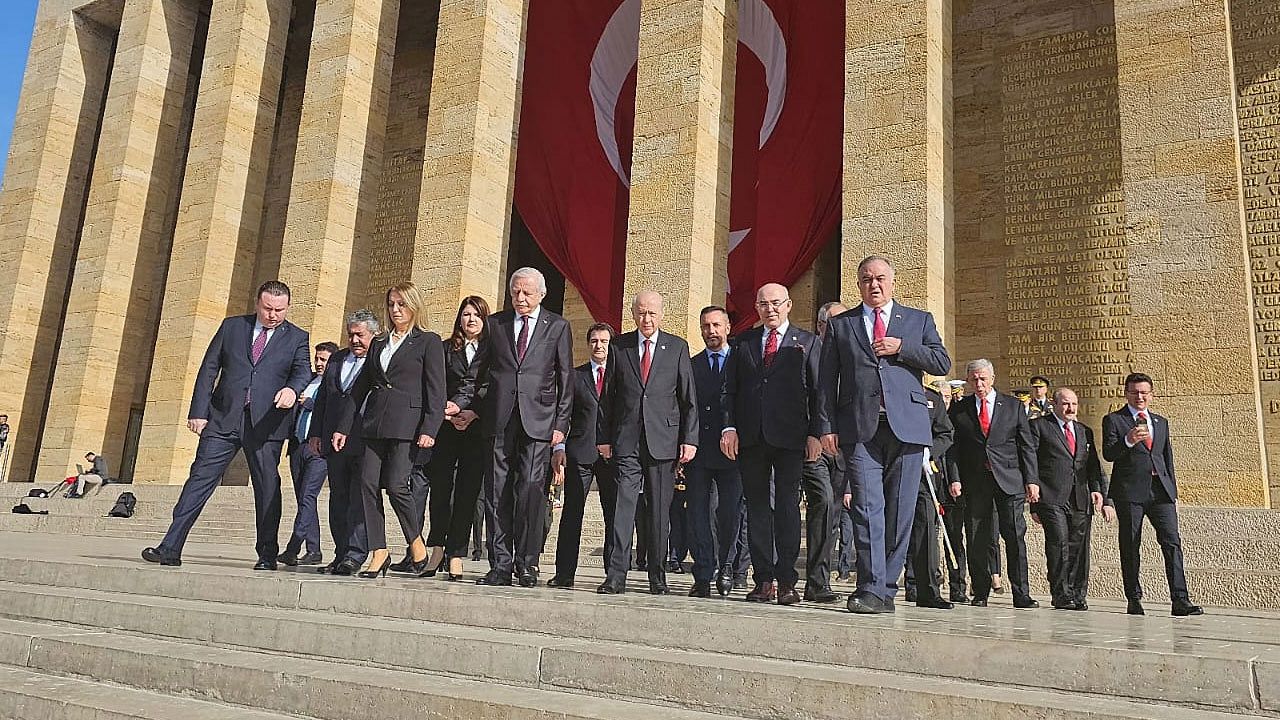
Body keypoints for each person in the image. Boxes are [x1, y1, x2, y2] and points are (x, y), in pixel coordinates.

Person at [143, 280, 311, 569]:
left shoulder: (297, 337)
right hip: (223, 419)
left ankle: (267, 554)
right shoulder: (232, 327)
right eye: (268, 308)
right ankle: (170, 546)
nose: (273, 315)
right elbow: (209, 368)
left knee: (267, 487)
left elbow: (302, 371)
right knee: (199, 480)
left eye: (279, 310)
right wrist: (199, 412)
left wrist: (292, 390)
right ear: (257, 303)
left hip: (266, 424)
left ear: (287, 307)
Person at [816, 256, 951, 614]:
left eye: (879, 278)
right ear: (858, 284)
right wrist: (826, 427)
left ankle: (886, 589)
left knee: (901, 511)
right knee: (866, 507)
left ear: (892, 282)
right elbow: (826, 381)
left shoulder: (918, 320)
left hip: (907, 427)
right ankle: (871, 587)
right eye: (866, 279)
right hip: (860, 428)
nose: (873, 285)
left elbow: (941, 362)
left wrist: (902, 348)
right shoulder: (842, 325)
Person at [333, 282, 446, 579]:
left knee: (396, 485)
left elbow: (436, 390)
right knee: (367, 484)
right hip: (374, 424)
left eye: (402, 304)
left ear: (414, 305)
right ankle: (379, 551)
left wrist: (430, 427)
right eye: (392, 304)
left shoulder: (428, 341)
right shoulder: (379, 342)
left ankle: (415, 541)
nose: (396, 309)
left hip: (408, 426)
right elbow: (360, 387)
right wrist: (343, 426)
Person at [721, 283, 823, 606]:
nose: (770, 309)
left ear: (789, 305)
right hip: (752, 438)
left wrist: (816, 433)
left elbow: (818, 392)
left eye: (776, 303)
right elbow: (729, 389)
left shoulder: (807, 342)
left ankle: (787, 581)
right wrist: (729, 427)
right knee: (757, 510)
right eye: (764, 304)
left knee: (787, 508)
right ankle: (763, 579)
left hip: (791, 438)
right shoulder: (744, 342)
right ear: (757, 307)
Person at [472, 267, 573, 588]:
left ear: (541, 294)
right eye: (515, 292)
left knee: (530, 490)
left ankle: (527, 563)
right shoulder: (496, 324)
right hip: (499, 420)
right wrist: (465, 405)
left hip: (539, 422)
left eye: (527, 293)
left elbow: (566, 379)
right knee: (496, 492)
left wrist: (560, 425)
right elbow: (478, 373)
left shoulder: (557, 326)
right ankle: (500, 564)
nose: (520, 298)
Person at [596, 290, 698, 595]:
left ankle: (657, 576)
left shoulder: (677, 347)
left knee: (658, 512)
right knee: (623, 508)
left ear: (662, 314)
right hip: (626, 441)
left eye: (652, 312)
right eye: (641, 312)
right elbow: (607, 397)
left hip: (663, 441)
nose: (647, 318)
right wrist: (603, 438)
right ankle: (616, 575)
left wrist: (689, 439)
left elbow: (688, 398)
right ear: (633, 314)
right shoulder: (620, 346)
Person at [1102, 372, 1202, 617]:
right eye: (1135, 392)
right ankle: (1134, 598)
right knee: (1130, 544)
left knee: (1172, 542)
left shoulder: (1160, 422)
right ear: (1126, 394)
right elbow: (1109, 453)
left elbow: (1167, 458)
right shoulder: (1114, 420)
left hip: (1160, 492)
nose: (1140, 397)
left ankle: (1180, 599)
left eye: (1144, 392)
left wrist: (1173, 492)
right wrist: (1128, 440)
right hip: (1130, 493)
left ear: (1151, 395)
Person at [947, 358, 1038, 609]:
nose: (979, 384)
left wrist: (1031, 480)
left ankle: (1021, 593)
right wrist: (954, 477)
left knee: (1014, 536)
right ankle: (981, 591)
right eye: (974, 379)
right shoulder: (960, 409)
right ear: (968, 381)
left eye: (983, 379)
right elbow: (953, 448)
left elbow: (1026, 445)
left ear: (992, 379)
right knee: (977, 537)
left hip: (1009, 480)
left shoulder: (1012, 406)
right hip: (975, 482)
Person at [1029, 387, 1112, 611]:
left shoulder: (1084, 431)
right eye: (1066, 403)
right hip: (1051, 496)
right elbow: (1031, 461)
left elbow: (1093, 465)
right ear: (1054, 404)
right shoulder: (1039, 427)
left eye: (1074, 404)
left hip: (1080, 497)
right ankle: (1061, 594)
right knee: (1059, 544)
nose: (1070, 408)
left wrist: (1098, 491)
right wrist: (1033, 501)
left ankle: (1078, 593)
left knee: (1079, 548)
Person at [424, 297, 489, 582]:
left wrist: (474, 412)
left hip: (476, 428)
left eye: (476, 315)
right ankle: (437, 547)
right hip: (446, 426)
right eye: (466, 314)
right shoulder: (445, 348)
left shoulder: (492, 350)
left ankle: (456, 553)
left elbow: (491, 386)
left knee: (467, 492)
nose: (471, 319)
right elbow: (435, 383)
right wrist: (446, 411)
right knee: (441, 489)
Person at [308, 311, 377, 575]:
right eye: (351, 335)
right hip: (333, 440)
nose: (355, 340)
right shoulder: (337, 359)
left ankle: (355, 555)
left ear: (373, 334)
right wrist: (316, 433)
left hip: (364, 440)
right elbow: (323, 399)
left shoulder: (378, 361)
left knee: (359, 499)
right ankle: (340, 553)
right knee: (338, 498)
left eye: (360, 335)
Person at [548, 323, 618, 588]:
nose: (598, 346)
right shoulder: (576, 376)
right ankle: (564, 573)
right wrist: (559, 448)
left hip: (612, 455)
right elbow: (563, 413)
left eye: (604, 341)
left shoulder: (620, 375)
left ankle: (614, 575)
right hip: (580, 453)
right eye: (594, 341)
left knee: (614, 516)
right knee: (571, 514)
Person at [684, 306, 745, 598]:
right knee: (698, 514)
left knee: (730, 513)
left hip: (733, 453)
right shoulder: (692, 365)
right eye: (706, 326)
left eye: (717, 325)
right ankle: (703, 572)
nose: (711, 331)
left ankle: (727, 567)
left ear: (728, 327)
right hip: (700, 451)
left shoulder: (741, 361)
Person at [279, 342, 337, 566]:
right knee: (303, 498)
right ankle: (314, 550)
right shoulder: (308, 380)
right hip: (298, 445)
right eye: (317, 359)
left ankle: (293, 547)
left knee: (307, 496)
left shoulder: (335, 383)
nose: (319, 363)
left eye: (324, 359)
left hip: (319, 448)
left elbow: (336, 411)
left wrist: (312, 404)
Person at [902, 384, 955, 609]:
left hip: (922, 473)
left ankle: (928, 590)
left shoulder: (932, 398)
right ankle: (881, 588)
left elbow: (945, 432)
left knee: (925, 530)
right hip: (893, 468)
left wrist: (929, 450)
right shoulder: (891, 390)